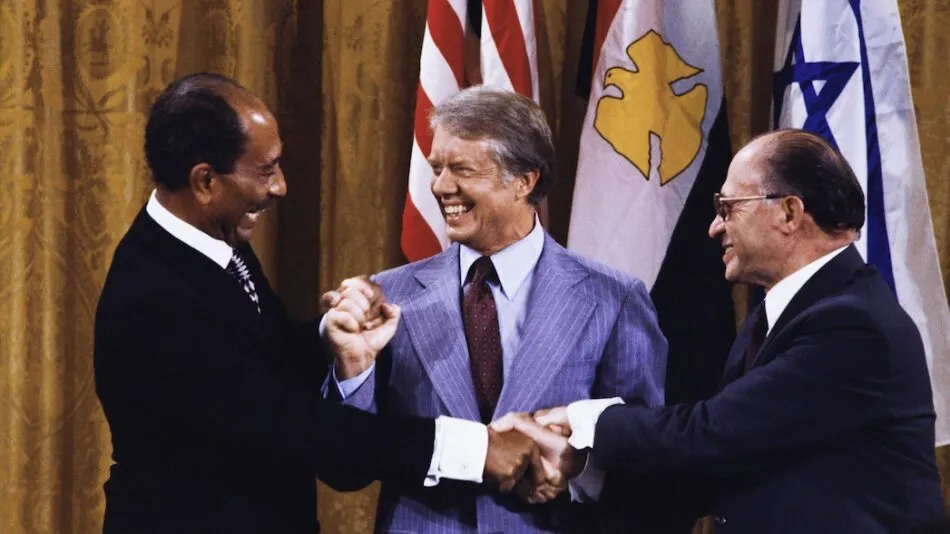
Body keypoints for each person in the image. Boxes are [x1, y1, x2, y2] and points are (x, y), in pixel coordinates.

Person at [93, 73, 545, 534]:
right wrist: (478, 449)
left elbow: (259, 357)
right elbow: (293, 425)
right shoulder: (155, 301)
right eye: (266, 171)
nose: (280, 186)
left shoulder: (214, 239)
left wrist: (330, 334)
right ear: (205, 181)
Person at [499, 129, 945, 533]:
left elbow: (712, 432)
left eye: (728, 208)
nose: (715, 227)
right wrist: (581, 466)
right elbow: (719, 464)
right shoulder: (776, 319)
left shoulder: (852, 325)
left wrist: (581, 420)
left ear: (789, 212)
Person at [322, 86, 669, 533]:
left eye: (462, 169)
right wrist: (353, 367)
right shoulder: (389, 297)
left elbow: (645, 459)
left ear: (525, 181)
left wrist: (575, 471)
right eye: (437, 168)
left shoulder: (613, 299)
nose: (441, 186)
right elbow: (344, 467)